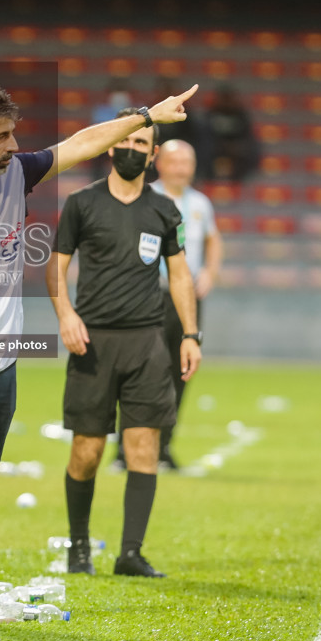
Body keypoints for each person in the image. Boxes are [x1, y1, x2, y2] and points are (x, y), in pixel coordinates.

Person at [0, 82, 201, 621]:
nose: (13, 146)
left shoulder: (16, 174)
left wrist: (146, 117)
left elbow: (82, 142)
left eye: (14, 135)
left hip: (1, 357)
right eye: (1, 137)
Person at [49, 111, 202, 580]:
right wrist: (67, 315)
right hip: (92, 344)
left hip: (147, 344)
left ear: (154, 155)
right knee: (87, 453)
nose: (133, 149)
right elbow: (56, 268)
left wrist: (191, 335)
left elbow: (179, 275)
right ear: (111, 144)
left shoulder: (164, 210)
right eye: (127, 140)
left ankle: (130, 554)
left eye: (143, 144)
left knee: (143, 450)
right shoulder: (80, 204)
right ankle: (78, 548)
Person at [110, 138, 224, 472]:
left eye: (187, 163)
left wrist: (210, 273)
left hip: (187, 300)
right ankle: (124, 452)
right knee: (140, 373)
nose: (181, 169)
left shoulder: (201, 203)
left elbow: (213, 240)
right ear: (160, 163)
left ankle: (164, 448)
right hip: (149, 295)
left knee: (181, 372)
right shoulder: (145, 197)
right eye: (175, 162)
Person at [207, 85, 259, 182]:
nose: (226, 102)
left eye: (229, 98)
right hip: (215, 152)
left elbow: (248, 138)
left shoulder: (241, 115)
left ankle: (238, 178)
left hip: (237, 156)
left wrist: (235, 148)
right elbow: (205, 138)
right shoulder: (210, 115)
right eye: (224, 99)